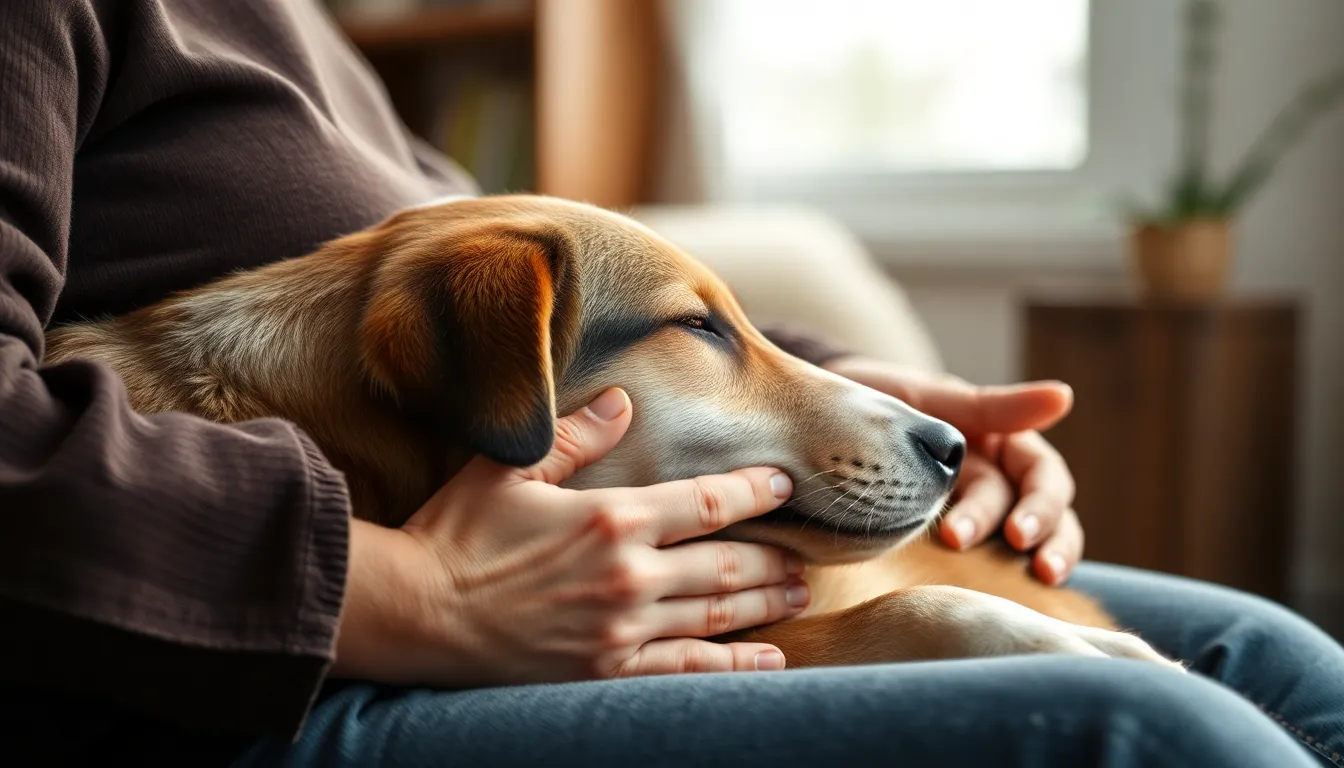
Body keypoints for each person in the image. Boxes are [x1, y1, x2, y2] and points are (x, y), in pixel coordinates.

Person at [0, 2, 1339, 766]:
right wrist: (409, 592)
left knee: (1276, 658)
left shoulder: (300, 28)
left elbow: (553, 275)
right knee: (1153, 732)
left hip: (527, 540)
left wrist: (837, 384)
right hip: (252, 670)